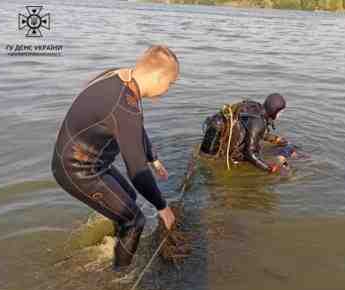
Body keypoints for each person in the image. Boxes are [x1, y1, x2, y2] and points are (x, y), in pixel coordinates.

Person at [51, 45, 179, 271]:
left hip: (90, 161)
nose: (168, 89)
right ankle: (119, 280)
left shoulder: (121, 77)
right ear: (159, 77)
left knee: (129, 197)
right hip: (76, 168)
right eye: (170, 84)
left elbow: (134, 126)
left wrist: (153, 158)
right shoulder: (124, 104)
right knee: (135, 220)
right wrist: (163, 207)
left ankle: (110, 247)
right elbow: (137, 171)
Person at [200, 94, 294, 173]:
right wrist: (269, 169)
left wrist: (277, 140)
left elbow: (254, 132)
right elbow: (250, 153)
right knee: (207, 166)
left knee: (203, 159)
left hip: (214, 125)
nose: (280, 115)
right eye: (280, 112)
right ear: (274, 110)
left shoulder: (255, 108)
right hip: (216, 133)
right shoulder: (259, 122)